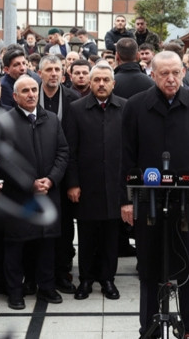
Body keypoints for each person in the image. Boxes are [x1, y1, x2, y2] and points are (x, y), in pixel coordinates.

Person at [121, 51, 189, 339]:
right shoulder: (136, 106)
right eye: (164, 73)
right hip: (148, 201)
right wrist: (125, 199)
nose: (171, 78)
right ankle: (148, 329)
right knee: (150, 269)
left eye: (176, 72)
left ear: (184, 72)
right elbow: (125, 156)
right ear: (152, 74)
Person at [0, 76, 69, 309]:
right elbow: (3, 160)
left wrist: (51, 180)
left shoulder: (51, 120)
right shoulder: (4, 122)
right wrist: (29, 183)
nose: (31, 94)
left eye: (33, 90)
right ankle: (15, 292)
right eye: (25, 91)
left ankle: (46, 288)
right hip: (19, 196)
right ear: (15, 96)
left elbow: (62, 152)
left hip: (48, 193)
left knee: (47, 243)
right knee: (16, 245)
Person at [64, 63, 125, 300]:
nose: (101, 84)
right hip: (86, 184)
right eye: (97, 79)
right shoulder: (76, 109)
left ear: (113, 83)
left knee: (111, 235)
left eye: (105, 80)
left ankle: (108, 279)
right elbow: (70, 150)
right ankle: (86, 279)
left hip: (114, 183)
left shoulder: (125, 108)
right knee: (88, 235)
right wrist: (72, 183)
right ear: (90, 83)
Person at [37, 54, 80, 295]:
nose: (54, 73)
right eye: (49, 69)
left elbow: (75, 145)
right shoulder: (31, 95)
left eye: (58, 69)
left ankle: (63, 272)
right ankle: (38, 274)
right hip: (38, 173)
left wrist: (73, 181)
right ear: (40, 72)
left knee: (64, 228)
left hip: (64, 174)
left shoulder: (73, 99)